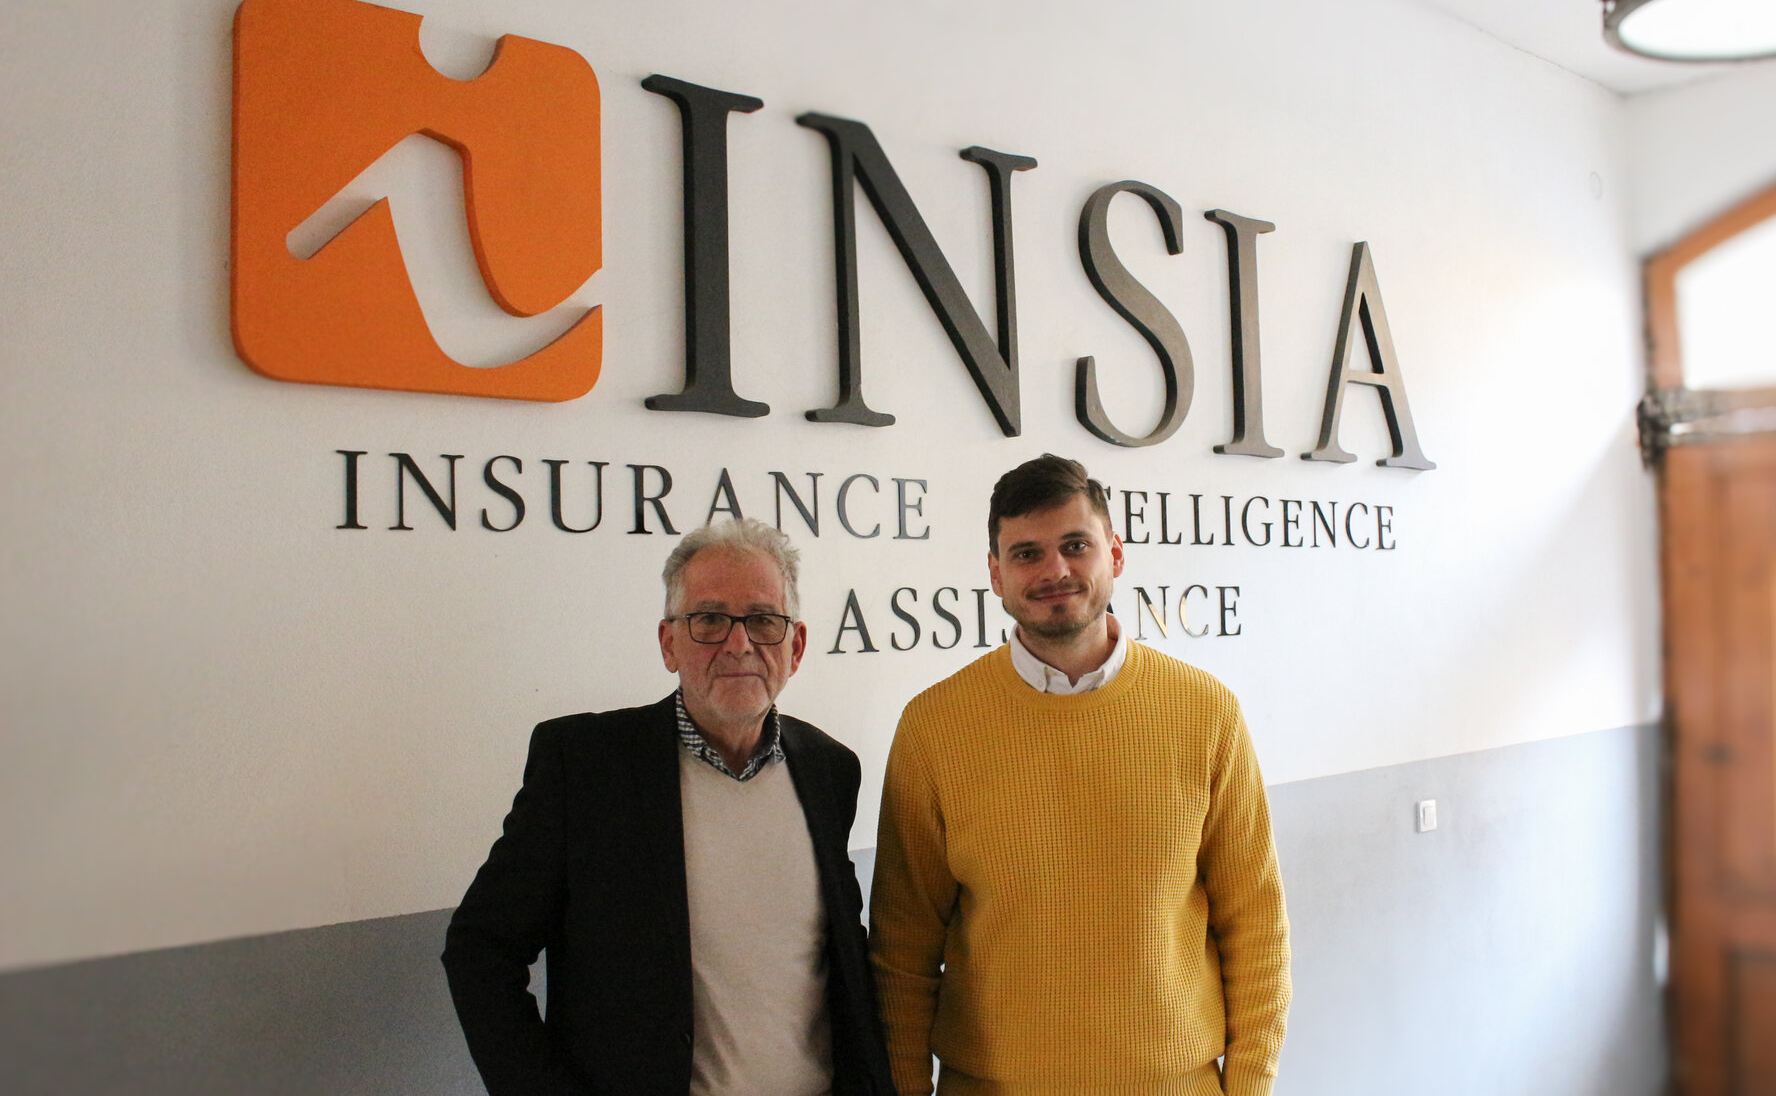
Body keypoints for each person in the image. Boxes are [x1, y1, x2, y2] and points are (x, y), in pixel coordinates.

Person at [869, 454, 1291, 1096]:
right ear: (996, 574)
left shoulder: (1206, 714)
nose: (1055, 571)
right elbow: (902, 949)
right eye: (1027, 554)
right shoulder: (934, 727)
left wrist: (1252, 1087)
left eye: (1075, 545)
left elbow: (1256, 922)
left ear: (1114, 555)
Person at [443, 518, 896, 1096]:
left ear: (796, 646)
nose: (739, 644)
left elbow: (841, 968)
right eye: (709, 619)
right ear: (669, 643)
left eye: (763, 620)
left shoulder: (830, 770)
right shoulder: (585, 768)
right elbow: (481, 950)